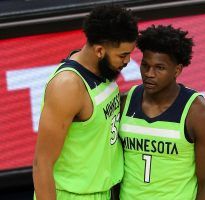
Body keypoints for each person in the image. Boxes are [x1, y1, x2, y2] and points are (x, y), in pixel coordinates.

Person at [32, 5, 138, 200]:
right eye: (122, 55)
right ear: (99, 50)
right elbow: (42, 164)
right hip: (74, 195)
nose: (128, 61)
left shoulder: (103, 70)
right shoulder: (68, 86)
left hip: (104, 190)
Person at [119, 25, 205, 200]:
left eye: (159, 68)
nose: (149, 74)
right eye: (145, 65)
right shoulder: (124, 102)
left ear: (177, 70)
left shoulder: (200, 114)